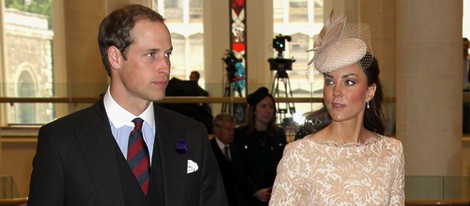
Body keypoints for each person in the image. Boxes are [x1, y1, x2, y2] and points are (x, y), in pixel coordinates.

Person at [27, 4, 228, 206]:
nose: (165, 67)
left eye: (167, 54)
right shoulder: (62, 141)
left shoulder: (192, 135)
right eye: (151, 54)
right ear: (115, 57)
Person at [269, 12, 405, 205]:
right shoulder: (300, 155)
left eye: (349, 82)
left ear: (370, 91)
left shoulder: (391, 152)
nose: (336, 91)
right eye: (330, 81)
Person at [232, 87, 287, 206]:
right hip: (248, 197)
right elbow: (237, 168)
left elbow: (284, 165)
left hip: (274, 195)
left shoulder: (278, 134)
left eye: (271, 107)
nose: (268, 111)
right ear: (253, 110)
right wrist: (255, 191)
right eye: (263, 106)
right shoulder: (240, 134)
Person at [210, 113, 237, 206]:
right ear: (216, 130)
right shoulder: (208, 149)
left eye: (233, 129)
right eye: (228, 129)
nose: (232, 133)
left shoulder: (237, 148)